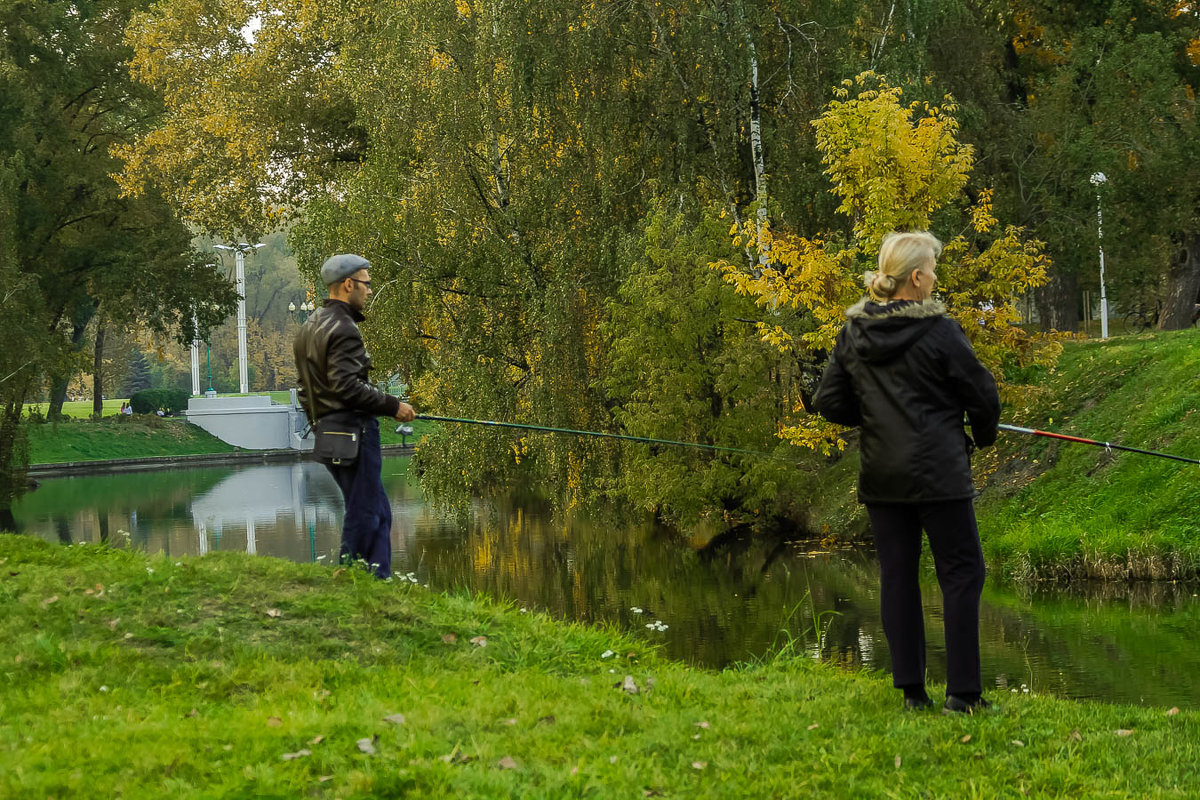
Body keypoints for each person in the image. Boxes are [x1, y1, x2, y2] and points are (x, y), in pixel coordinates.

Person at [812, 231, 1000, 714]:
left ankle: (913, 694)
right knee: (962, 573)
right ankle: (963, 694)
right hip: (939, 473)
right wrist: (981, 437)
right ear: (916, 278)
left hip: (883, 475)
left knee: (898, 576)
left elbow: (828, 401)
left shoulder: (854, 332)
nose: (936, 276)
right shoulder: (941, 331)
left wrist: (876, 418)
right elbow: (983, 395)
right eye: (933, 268)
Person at [293, 253, 416, 579]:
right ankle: (349, 577)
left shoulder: (310, 325)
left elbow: (305, 390)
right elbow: (347, 386)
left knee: (379, 511)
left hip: (330, 434)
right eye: (366, 284)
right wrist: (393, 405)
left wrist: (322, 422)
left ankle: (378, 579)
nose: (369, 291)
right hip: (355, 434)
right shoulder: (344, 328)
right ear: (348, 285)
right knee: (365, 511)